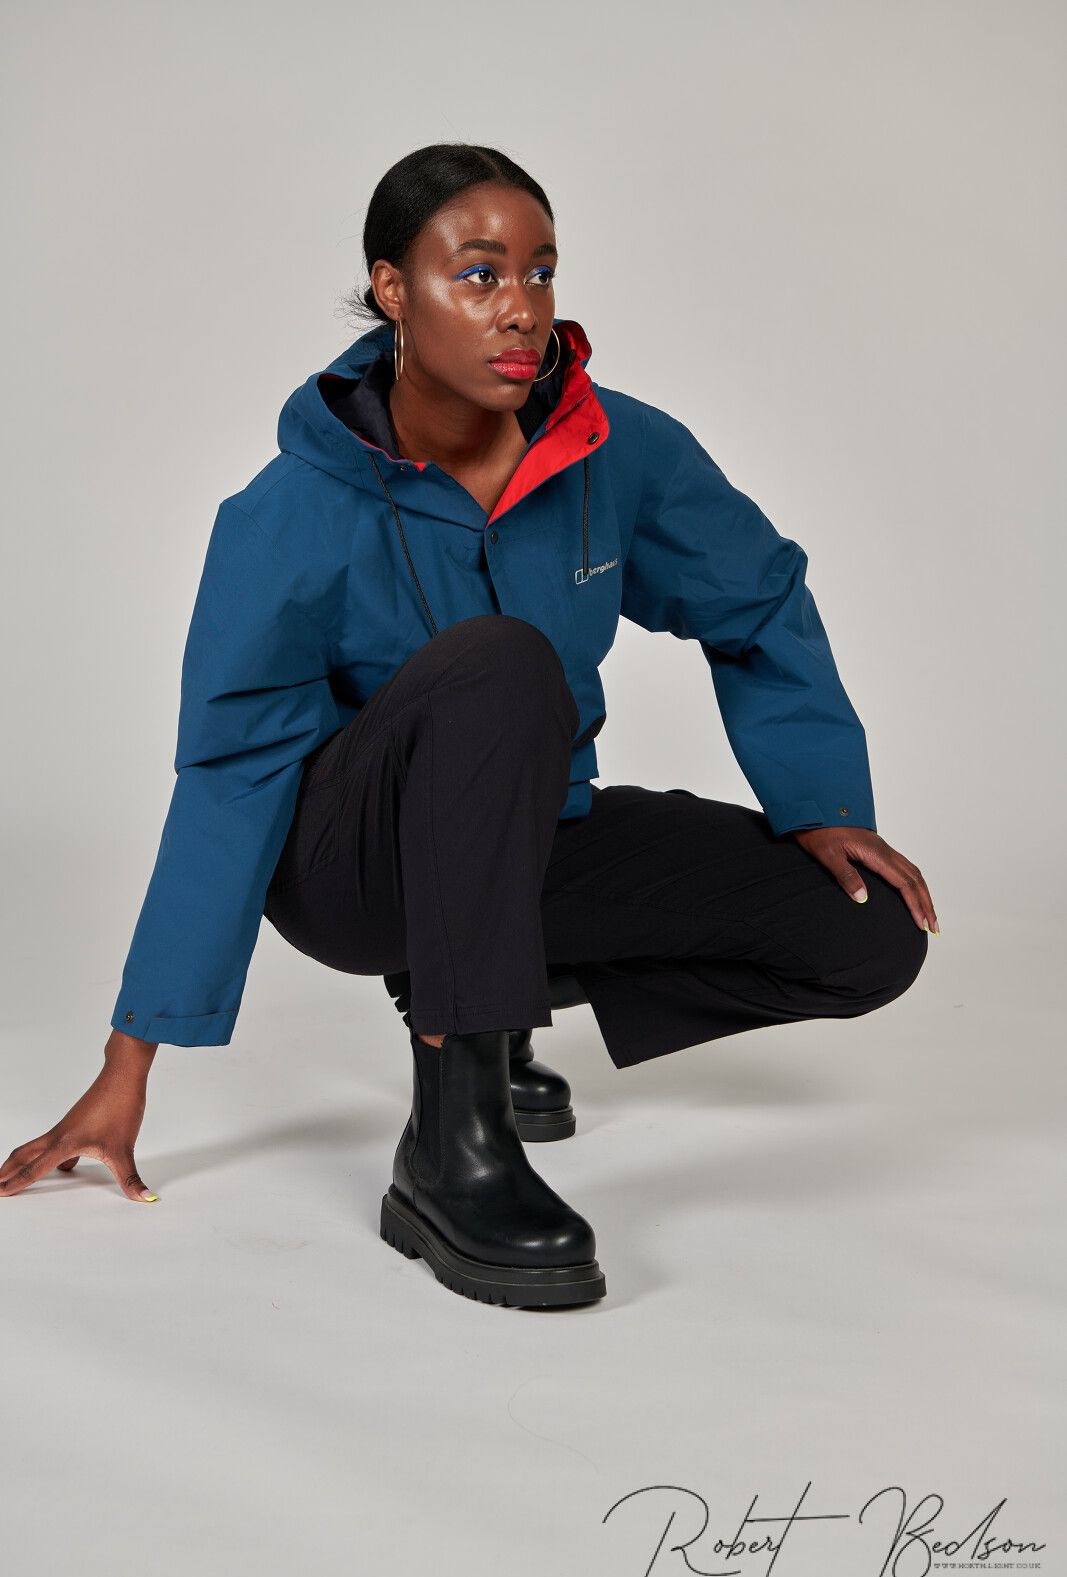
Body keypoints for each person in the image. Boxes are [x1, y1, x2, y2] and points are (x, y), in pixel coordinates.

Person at [0, 143, 936, 1309]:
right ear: (393, 288)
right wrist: (129, 1056)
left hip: (528, 839)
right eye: (479, 274)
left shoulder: (618, 451)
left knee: (864, 931)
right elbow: (232, 771)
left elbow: (755, 600)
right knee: (499, 661)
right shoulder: (287, 514)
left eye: (540, 272)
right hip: (351, 870)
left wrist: (821, 804)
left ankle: (482, 1006)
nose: (522, 309)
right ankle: (451, 1151)